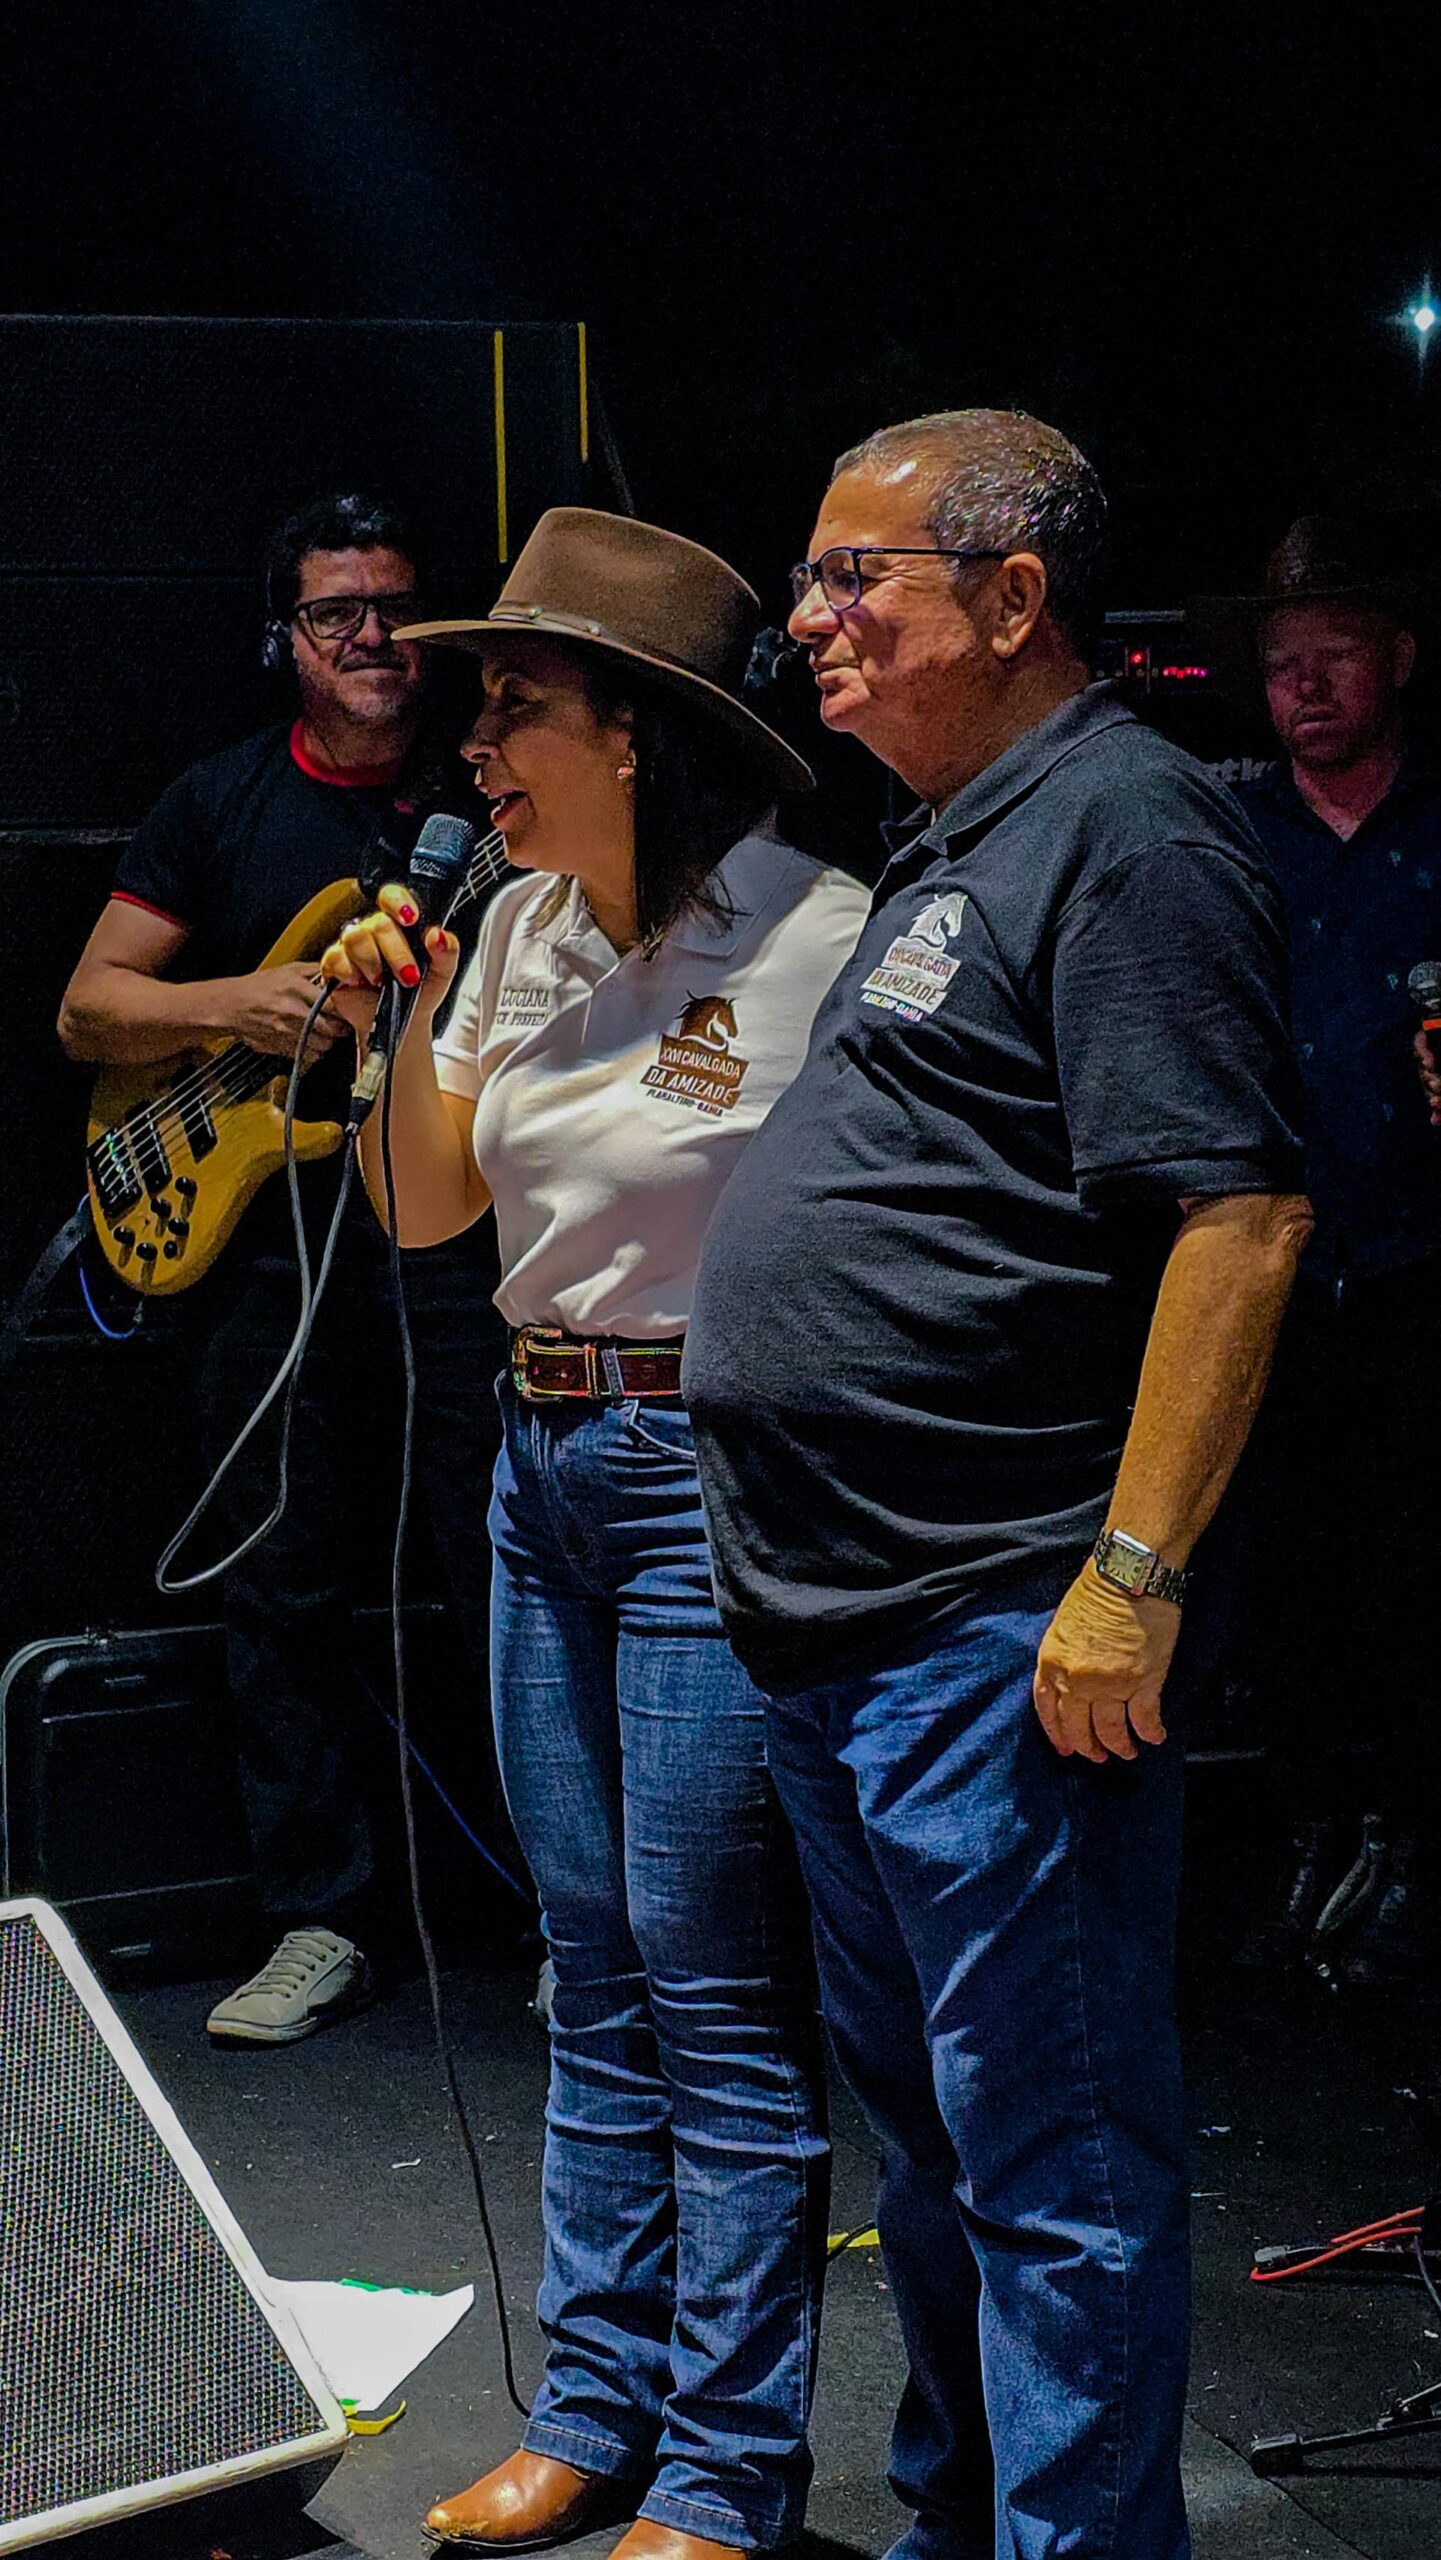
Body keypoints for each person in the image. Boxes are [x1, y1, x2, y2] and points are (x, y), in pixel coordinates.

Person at [681, 412, 1312, 2560]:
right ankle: (965, 2526)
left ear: (1015, 597)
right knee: (947, 2151)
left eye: (853, 575)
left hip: (992, 1619)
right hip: (848, 1626)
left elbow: (1239, 1219)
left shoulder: (1128, 829)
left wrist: (1130, 1575)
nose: (809, 617)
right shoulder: (965, 835)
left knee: (1053, 2162)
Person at [320, 508, 868, 2560]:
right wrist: (396, 1011)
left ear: (633, 728)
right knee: (587, 1962)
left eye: (515, 705)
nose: (472, 744)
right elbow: (422, 1210)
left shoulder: (815, 934)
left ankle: (723, 2464)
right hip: (537, 1462)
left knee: (708, 1978)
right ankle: (590, 2406)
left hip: (707, 1465)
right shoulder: (517, 929)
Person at [58, 491, 508, 2044]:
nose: (372, 637)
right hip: (276, 1248)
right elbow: (89, 1008)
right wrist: (241, 1006)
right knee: (276, 1577)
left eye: (397, 608)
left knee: (500, 1561)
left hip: (462, 1242)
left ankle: (569, 1921)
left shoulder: (490, 787)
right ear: (286, 638)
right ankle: (322, 1915)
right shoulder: (223, 798)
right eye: (335, 614)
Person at [1207, 516, 1441, 1987]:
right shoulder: (1227, 832)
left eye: (1335, 655)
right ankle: (1307, 1830)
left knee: (1412, 1567)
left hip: (1420, 1270)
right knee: (1282, 1574)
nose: (1305, 686)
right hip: (1268, 1270)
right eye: (1284, 661)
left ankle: (1405, 1843)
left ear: (1397, 658)